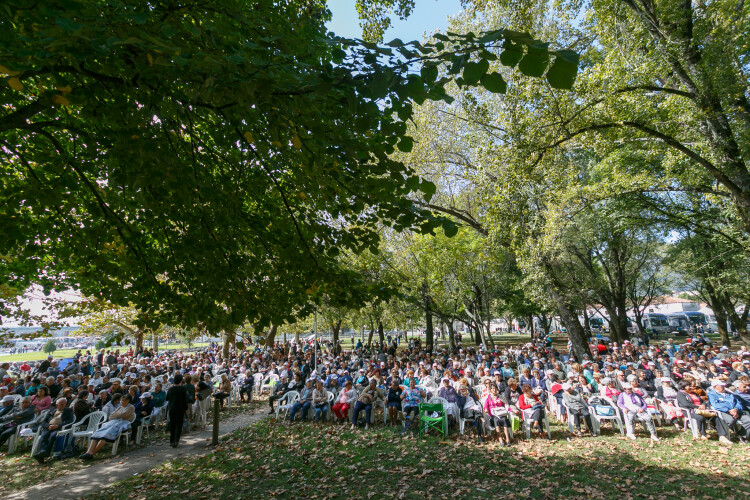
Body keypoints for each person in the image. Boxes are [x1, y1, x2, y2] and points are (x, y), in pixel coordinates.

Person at [79, 394, 135, 459]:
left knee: (105, 435)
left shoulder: (131, 407)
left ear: (127, 400)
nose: (121, 402)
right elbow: (111, 416)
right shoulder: (120, 407)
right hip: (113, 422)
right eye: (121, 401)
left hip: (123, 424)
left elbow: (123, 415)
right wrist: (117, 415)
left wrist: (116, 415)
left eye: (122, 401)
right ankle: (88, 452)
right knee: (97, 434)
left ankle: (92, 453)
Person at [32, 397, 74, 463]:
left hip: (59, 428)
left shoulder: (68, 410)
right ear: (57, 405)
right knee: (44, 436)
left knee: (52, 436)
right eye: (61, 404)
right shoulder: (51, 411)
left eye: (64, 404)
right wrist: (49, 426)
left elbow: (69, 421)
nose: (63, 405)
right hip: (49, 427)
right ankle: (42, 453)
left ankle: (44, 453)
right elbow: (43, 422)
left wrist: (57, 426)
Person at [707, 379, 750, 444]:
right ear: (715, 387)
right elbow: (716, 405)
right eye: (721, 386)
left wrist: (736, 409)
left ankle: (742, 436)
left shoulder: (729, 393)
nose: (724, 387)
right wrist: (728, 410)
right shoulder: (712, 394)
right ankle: (734, 435)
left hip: (736, 412)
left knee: (748, 420)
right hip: (724, 412)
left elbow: (738, 403)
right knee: (730, 421)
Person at [166, 373, 189, 447]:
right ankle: (176, 440)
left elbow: (167, 398)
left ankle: (171, 440)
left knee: (172, 424)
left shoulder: (170, 389)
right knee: (179, 424)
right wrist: (186, 409)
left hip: (172, 408)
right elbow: (185, 400)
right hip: (180, 408)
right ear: (180, 381)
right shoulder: (182, 389)